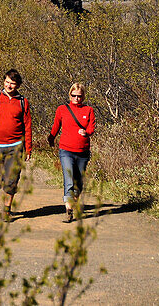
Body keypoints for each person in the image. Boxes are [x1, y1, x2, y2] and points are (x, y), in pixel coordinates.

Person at [0, 68, 32, 217]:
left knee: (12, 179)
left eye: (12, 83)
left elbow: (27, 126)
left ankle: (7, 209)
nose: (9, 86)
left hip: (15, 146)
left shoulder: (22, 102)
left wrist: (28, 148)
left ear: (18, 85)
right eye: (7, 82)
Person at [48, 82, 95, 223]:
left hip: (82, 152)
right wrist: (51, 137)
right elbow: (56, 125)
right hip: (66, 150)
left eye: (79, 96)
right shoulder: (62, 109)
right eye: (74, 95)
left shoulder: (89, 110)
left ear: (83, 96)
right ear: (70, 95)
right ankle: (68, 209)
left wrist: (86, 132)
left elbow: (92, 127)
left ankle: (73, 201)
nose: (76, 98)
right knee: (68, 180)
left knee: (78, 183)